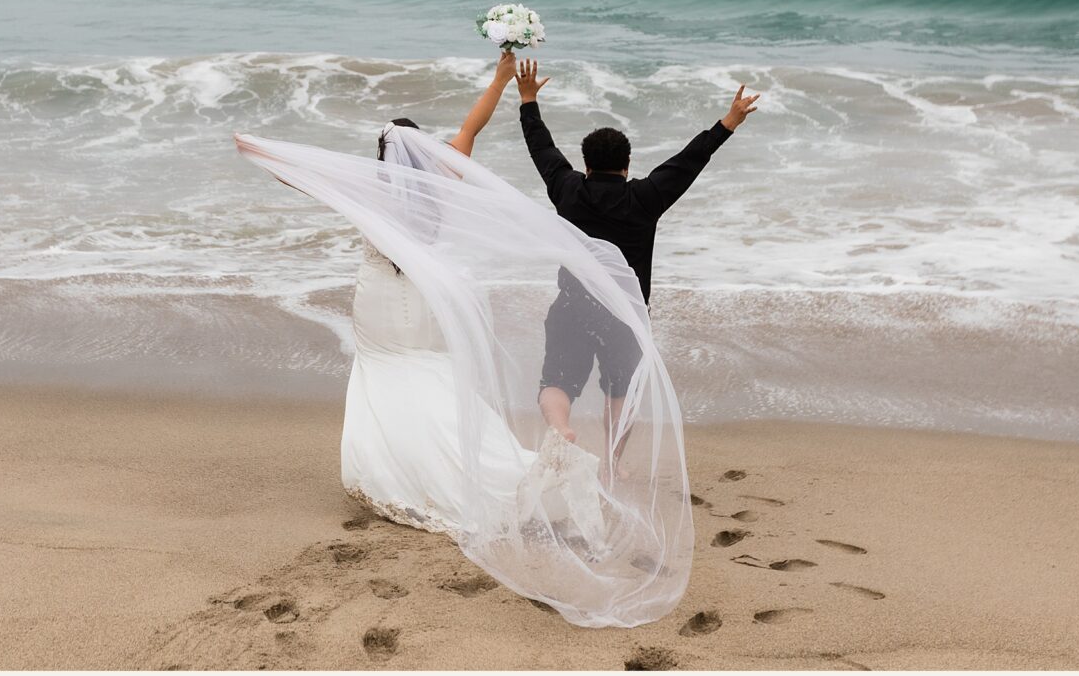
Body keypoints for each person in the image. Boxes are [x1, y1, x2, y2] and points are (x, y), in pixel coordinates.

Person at [234, 50, 696, 628]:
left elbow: (310, 179)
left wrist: (259, 153)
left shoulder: (369, 191)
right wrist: (504, 79)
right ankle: (489, 465)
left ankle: (396, 471)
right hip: (429, 300)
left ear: (380, 156)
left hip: (378, 300)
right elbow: (472, 125)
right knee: (428, 368)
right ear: (422, 151)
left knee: (385, 371)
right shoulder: (445, 176)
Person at [513, 58, 759, 475]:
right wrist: (727, 123)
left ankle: (561, 429)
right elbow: (688, 161)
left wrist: (528, 100)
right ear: (627, 165)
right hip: (624, 313)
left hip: (572, 305)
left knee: (556, 381)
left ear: (586, 164)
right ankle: (612, 462)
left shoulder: (568, 190)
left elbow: (543, 149)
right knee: (620, 389)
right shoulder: (644, 197)